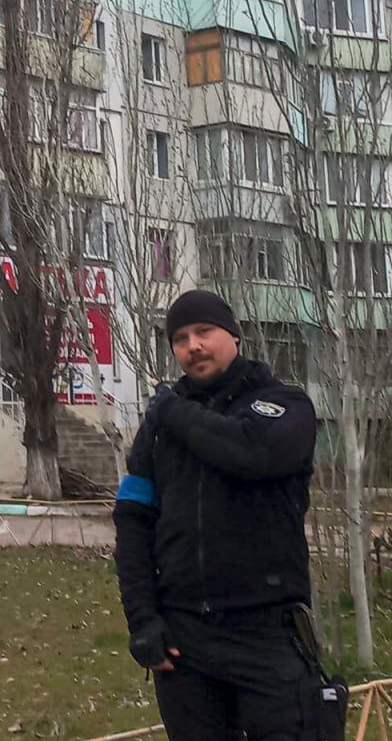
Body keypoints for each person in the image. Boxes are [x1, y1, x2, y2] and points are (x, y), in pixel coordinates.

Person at [114, 289, 319, 741]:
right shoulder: (156, 432)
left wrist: (172, 410)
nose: (193, 346)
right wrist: (142, 619)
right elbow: (132, 522)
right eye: (180, 338)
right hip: (185, 644)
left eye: (204, 331)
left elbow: (252, 452)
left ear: (234, 336)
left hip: (267, 634)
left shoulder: (285, 405)